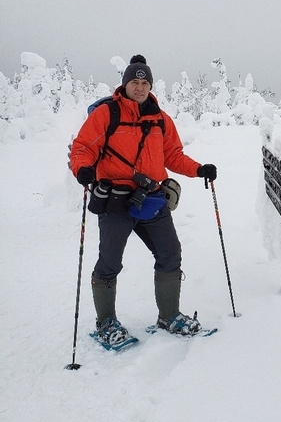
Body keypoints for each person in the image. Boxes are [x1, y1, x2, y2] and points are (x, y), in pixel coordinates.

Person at [70, 55, 217, 347]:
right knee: (109, 262)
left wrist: (198, 169)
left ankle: (169, 316)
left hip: (151, 200)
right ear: (125, 84)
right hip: (115, 201)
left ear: (150, 85)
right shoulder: (106, 114)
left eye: (144, 82)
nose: (139, 87)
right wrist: (82, 168)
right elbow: (83, 147)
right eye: (134, 82)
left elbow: (173, 155)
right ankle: (106, 322)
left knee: (170, 253)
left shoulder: (160, 119)